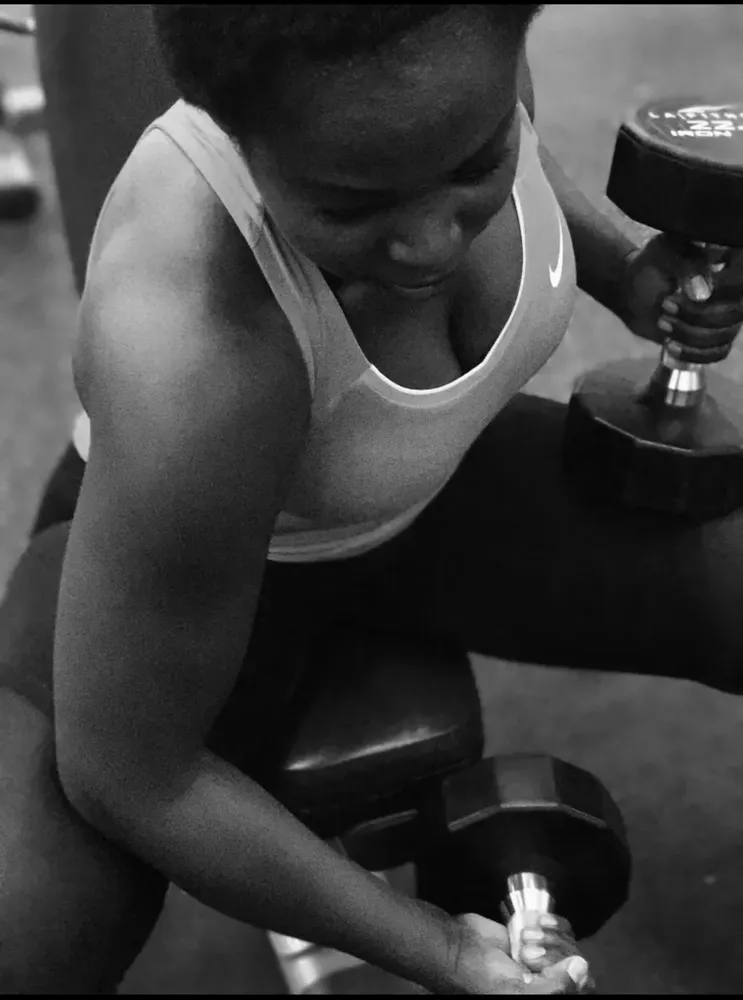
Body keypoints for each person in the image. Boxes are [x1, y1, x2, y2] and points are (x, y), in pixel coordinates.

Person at [1, 4, 741, 994]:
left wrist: (626, 271)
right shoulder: (198, 351)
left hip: (420, 501)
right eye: (352, 208)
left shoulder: (450, 71)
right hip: (189, 560)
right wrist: (431, 942)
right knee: (27, 935)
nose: (433, 242)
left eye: (472, 165)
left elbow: (513, 155)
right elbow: (133, 775)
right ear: (233, 134)